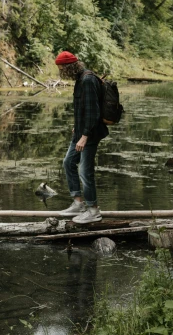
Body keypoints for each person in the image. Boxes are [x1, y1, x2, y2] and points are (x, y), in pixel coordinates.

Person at [55, 51, 108, 224]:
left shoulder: (87, 80)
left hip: (90, 134)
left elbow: (94, 112)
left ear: (69, 67)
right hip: (81, 131)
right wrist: (77, 127)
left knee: (85, 171)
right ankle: (78, 204)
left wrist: (84, 135)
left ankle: (93, 210)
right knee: (69, 162)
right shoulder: (80, 80)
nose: (61, 72)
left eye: (62, 69)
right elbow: (83, 109)